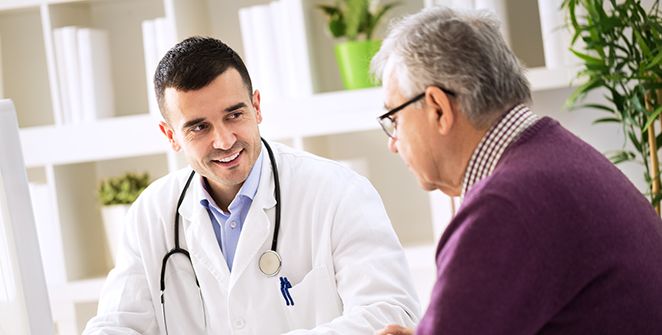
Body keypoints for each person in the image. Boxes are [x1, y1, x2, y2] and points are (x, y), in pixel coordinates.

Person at [83, 36, 420, 334]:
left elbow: (389, 313)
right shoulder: (153, 213)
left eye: (234, 115)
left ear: (256, 107)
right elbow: (116, 323)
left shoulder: (338, 192)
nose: (225, 140)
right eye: (199, 127)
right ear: (171, 136)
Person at [371, 6, 662, 335]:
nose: (393, 143)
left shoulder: (504, 206)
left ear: (438, 108)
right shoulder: (559, 158)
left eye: (394, 119)